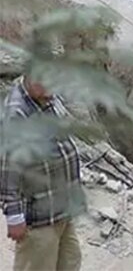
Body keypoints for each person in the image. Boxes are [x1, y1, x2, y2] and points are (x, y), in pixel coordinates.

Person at [1, 77, 85, 271]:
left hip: (61, 208)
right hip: (39, 217)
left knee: (70, 261)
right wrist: (14, 216)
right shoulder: (16, 115)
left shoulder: (44, 97)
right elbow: (7, 170)